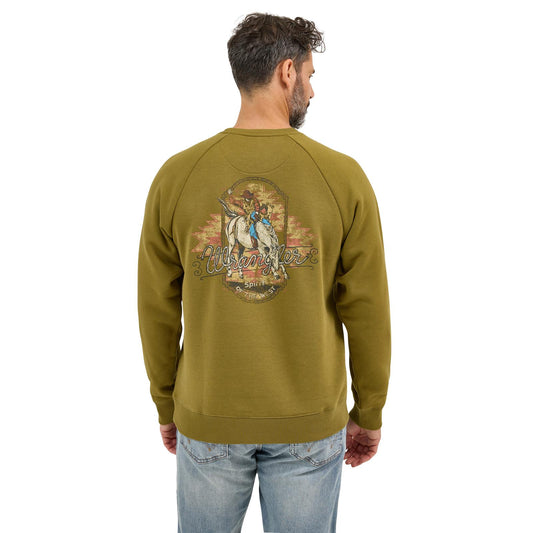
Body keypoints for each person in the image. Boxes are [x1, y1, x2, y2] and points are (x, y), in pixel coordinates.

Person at [137, 12, 391, 533]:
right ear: (286, 72)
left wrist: (167, 403)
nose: (312, 91)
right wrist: (369, 410)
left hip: (208, 414)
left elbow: (155, 306)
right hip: (308, 421)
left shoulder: (176, 176)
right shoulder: (343, 177)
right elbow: (367, 307)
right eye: (311, 75)